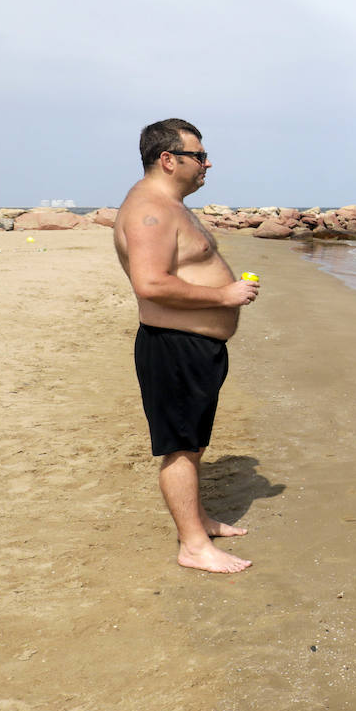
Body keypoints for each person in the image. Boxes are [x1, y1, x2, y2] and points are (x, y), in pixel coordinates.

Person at [113, 118, 260, 573]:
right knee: (179, 445)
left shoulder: (170, 204)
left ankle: (199, 521)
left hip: (195, 347)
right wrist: (224, 295)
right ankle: (193, 547)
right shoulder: (149, 209)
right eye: (199, 155)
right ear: (168, 159)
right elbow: (151, 284)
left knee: (193, 441)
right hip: (173, 346)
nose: (207, 163)